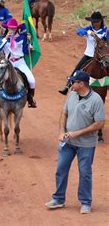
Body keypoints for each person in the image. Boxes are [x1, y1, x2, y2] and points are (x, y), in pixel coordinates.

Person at [45, 70, 105, 214]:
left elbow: (99, 124)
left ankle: (85, 202)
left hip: (86, 145)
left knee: (85, 173)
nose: (71, 84)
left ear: (81, 84)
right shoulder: (72, 94)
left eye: (74, 81)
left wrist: (76, 133)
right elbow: (64, 113)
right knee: (61, 169)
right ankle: (58, 199)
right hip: (67, 143)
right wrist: (61, 132)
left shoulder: (96, 100)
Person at [59, 11, 107, 95]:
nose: (95, 23)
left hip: (102, 56)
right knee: (77, 70)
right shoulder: (89, 29)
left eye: (97, 21)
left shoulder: (105, 31)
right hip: (89, 55)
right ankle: (67, 86)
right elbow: (79, 31)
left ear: (101, 21)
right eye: (94, 21)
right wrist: (88, 32)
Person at [0, 18, 37, 108]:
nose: (11, 30)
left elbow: (25, 51)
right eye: (10, 28)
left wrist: (29, 44)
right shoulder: (3, 38)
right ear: (7, 28)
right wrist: (6, 38)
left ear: (17, 29)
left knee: (32, 80)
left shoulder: (22, 37)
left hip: (20, 62)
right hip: (7, 63)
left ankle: (30, 99)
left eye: (13, 28)